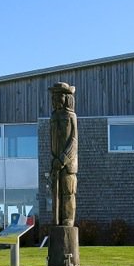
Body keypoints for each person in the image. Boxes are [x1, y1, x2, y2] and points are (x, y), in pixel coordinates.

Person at [49, 82, 78, 227]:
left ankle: (68, 218)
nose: (54, 101)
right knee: (56, 193)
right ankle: (57, 218)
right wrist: (54, 159)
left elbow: (73, 141)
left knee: (68, 191)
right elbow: (52, 140)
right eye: (53, 98)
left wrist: (63, 159)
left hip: (67, 164)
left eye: (58, 97)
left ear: (66, 98)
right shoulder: (53, 117)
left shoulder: (70, 116)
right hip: (56, 162)